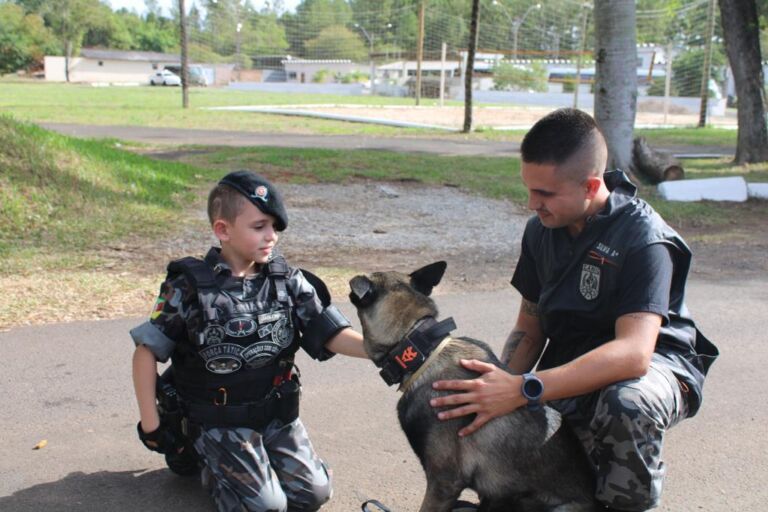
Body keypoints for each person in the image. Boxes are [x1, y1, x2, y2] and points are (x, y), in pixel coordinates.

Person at [430, 108, 718, 512]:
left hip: (655, 368)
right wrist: (497, 391)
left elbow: (634, 355)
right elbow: (529, 327)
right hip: (573, 365)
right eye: (529, 189)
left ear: (590, 185)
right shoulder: (542, 230)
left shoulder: (644, 239)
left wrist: (524, 389)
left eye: (545, 194)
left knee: (626, 402)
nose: (532, 204)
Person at [131, 170, 367, 512]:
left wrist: (379, 349)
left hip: (276, 414)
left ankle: (254, 467)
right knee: (269, 507)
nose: (271, 236)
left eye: (274, 226)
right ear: (223, 230)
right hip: (217, 421)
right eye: (259, 227)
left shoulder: (287, 280)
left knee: (314, 495)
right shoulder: (188, 288)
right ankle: (208, 462)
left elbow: (329, 333)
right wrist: (151, 426)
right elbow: (145, 352)